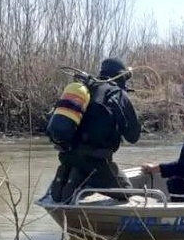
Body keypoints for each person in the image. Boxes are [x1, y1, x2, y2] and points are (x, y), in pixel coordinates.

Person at [46, 57, 141, 203]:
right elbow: (133, 137)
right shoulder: (117, 94)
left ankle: (69, 175)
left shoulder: (83, 90)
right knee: (126, 192)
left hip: (67, 157)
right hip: (95, 163)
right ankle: (80, 177)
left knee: (77, 174)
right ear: (121, 77)